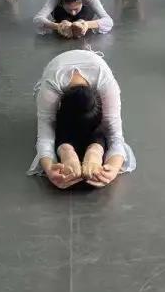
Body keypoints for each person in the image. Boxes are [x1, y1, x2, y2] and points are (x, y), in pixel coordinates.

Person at [29, 50, 135, 189]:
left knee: (100, 132)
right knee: (55, 129)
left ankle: (89, 149)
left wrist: (113, 169)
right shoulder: (50, 90)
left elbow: (115, 135)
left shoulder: (107, 87)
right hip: (57, 78)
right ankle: (71, 149)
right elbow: (45, 136)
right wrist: (50, 169)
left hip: (94, 75)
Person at [33, 0, 114, 38]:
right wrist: (57, 26)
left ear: (83, 1)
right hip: (61, 12)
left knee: (87, 12)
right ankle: (65, 21)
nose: (73, 13)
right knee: (61, 16)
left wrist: (86, 25)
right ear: (61, 3)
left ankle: (81, 22)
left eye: (76, 9)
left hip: (84, 11)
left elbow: (108, 21)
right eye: (69, 9)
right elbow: (38, 19)